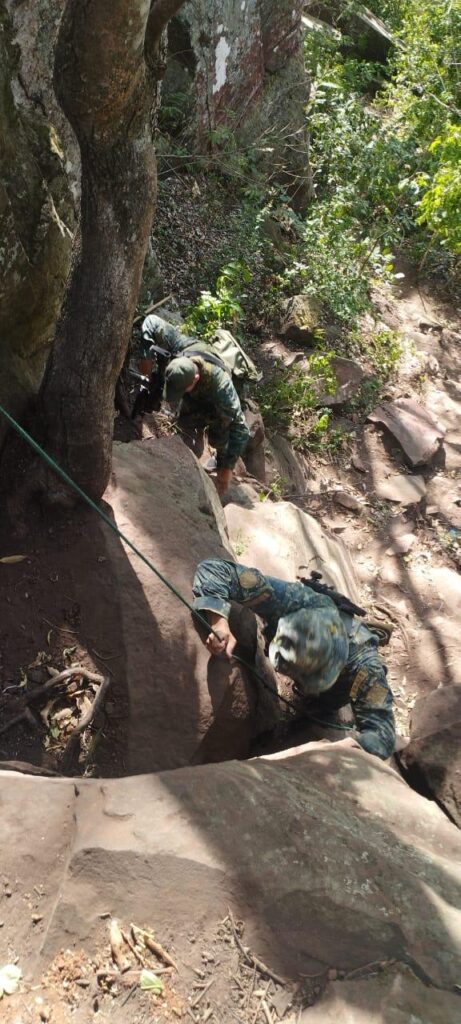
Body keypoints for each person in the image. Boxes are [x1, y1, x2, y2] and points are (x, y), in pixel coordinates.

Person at [192, 557, 395, 760]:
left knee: (322, 709)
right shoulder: (293, 600)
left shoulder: (368, 670)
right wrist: (218, 621)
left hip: (333, 693)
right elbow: (214, 569)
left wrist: (338, 748)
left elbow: (382, 738)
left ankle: (321, 707)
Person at [141, 315, 251, 496]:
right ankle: (194, 445)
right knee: (184, 422)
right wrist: (146, 357)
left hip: (215, 401)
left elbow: (240, 430)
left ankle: (218, 459)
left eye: (181, 391)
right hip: (195, 395)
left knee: (220, 437)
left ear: (196, 378)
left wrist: (226, 471)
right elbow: (151, 321)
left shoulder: (221, 387)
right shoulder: (180, 346)